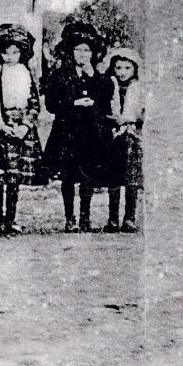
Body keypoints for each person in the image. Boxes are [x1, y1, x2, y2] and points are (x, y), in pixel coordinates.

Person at [40, 22, 115, 232]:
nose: (82, 54)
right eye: (78, 50)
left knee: (87, 176)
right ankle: (69, 217)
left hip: (90, 133)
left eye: (86, 50)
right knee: (68, 176)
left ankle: (85, 217)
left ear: (93, 53)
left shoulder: (101, 79)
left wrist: (92, 89)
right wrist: (73, 103)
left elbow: (106, 101)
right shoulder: (60, 75)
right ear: (71, 52)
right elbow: (51, 104)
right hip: (67, 132)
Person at [0, 24, 43, 235]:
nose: (10, 56)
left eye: (15, 52)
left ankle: (10, 219)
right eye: (6, 52)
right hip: (1, 126)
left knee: (14, 178)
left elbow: (35, 103)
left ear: (22, 53)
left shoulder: (27, 73)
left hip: (21, 128)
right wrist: (1, 123)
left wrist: (26, 125)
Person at [102, 47, 144, 233]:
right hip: (113, 135)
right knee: (114, 176)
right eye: (118, 68)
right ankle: (112, 218)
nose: (122, 72)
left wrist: (129, 120)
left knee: (131, 177)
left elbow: (144, 114)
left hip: (133, 136)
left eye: (127, 68)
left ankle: (129, 217)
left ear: (134, 69)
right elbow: (103, 110)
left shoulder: (139, 88)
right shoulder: (110, 86)